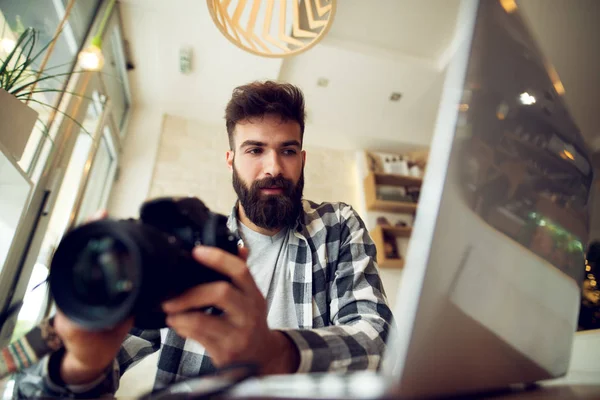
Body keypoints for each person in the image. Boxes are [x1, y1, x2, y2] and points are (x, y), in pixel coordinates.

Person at [16, 81, 393, 397]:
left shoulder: (336, 224)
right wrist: (81, 366)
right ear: (230, 159)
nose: (274, 167)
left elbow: (377, 337)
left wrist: (276, 353)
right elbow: (30, 387)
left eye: (288, 151)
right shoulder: (187, 251)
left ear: (302, 158)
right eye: (255, 150)